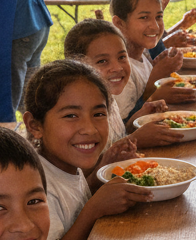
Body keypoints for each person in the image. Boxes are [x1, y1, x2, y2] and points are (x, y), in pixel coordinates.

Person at [22, 60, 152, 240]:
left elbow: (73, 204)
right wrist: (93, 210)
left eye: (99, 114)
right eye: (71, 116)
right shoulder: (36, 188)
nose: (90, 129)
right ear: (35, 125)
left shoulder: (66, 164)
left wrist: (100, 174)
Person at [61, 14, 179, 157]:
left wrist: (136, 120)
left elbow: (117, 136)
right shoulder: (78, 114)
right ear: (76, 65)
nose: (117, 67)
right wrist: (136, 139)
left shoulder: (107, 97)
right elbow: (85, 172)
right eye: (102, 61)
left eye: (122, 57)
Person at [109, 0, 185, 122]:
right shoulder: (118, 71)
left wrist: (157, 68)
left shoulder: (143, 57)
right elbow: (124, 128)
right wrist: (155, 79)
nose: (155, 26)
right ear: (119, 23)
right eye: (144, 17)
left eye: (159, 17)